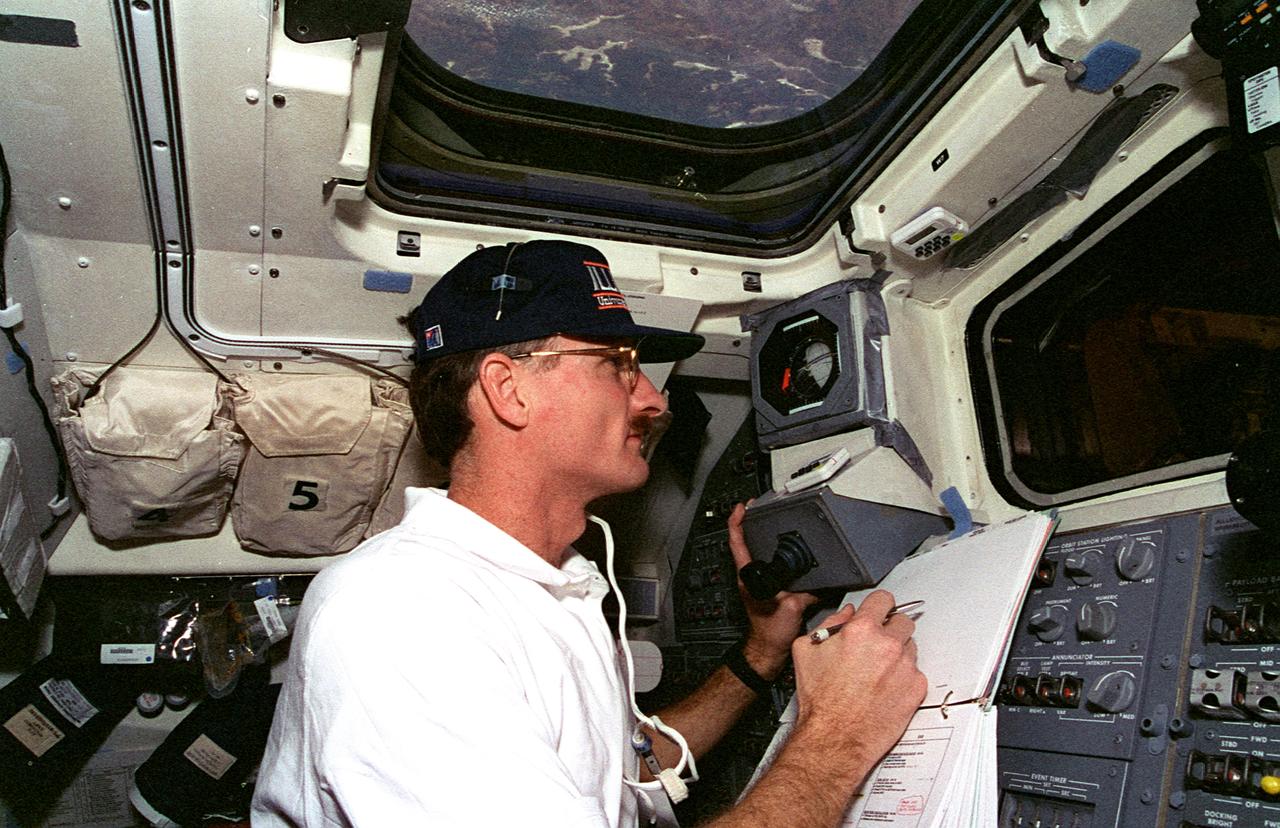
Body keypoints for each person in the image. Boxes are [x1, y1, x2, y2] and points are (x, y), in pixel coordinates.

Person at [251, 239, 926, 827]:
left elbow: (627, 772)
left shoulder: (555, 586)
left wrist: (759, 656)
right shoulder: (401, 612)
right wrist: (839, 736)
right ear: (508, 390)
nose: (654, 399)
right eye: (618, 365)